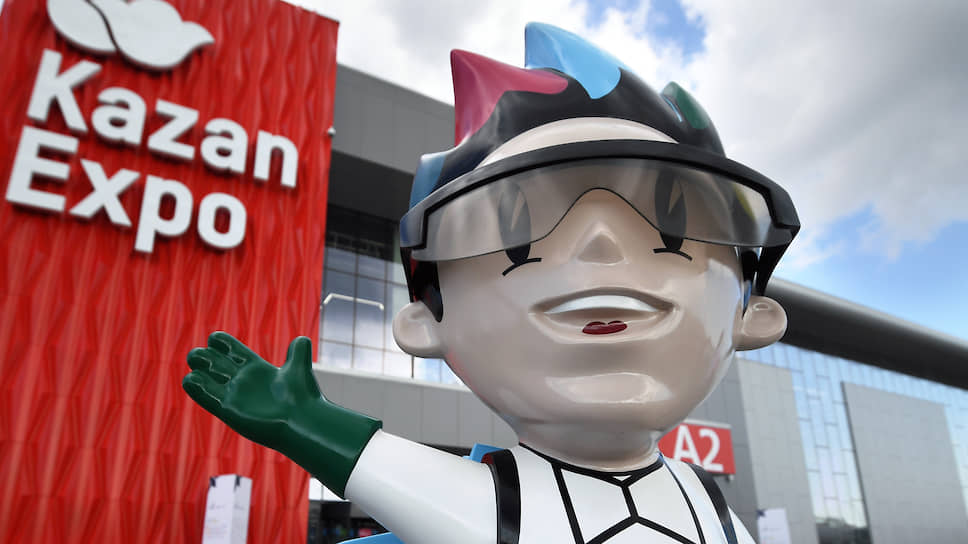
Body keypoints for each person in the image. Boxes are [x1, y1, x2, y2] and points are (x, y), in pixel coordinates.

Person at [183, 23, 799, 544]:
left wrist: (301, 420)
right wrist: (302, 421)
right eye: (519, 240)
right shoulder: (499, 504)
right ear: (426, 324)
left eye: (671, 229)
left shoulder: (707, 505)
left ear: (753, 314)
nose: (601, 246)